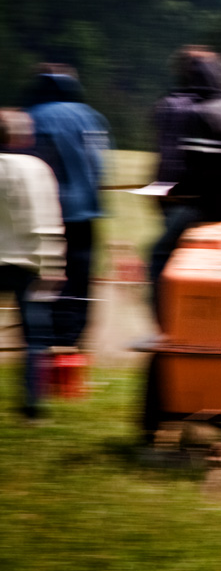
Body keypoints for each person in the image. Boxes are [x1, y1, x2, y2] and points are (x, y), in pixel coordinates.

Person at [147, 48, 221, 323]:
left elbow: (191, 170)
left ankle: (165, 326)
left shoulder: (198, 113)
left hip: (199, 208)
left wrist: (167, 196)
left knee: (159, 256)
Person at [24, 64, 111, 357]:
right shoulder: (92, 117)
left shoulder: (34, 118)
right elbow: (100, 164)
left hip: (45, 213)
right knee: (79, 278)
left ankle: (41, 342)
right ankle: (71, 343)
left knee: (43, 279)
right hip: (86, 212)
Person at [0, 109, 64, 420]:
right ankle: (31, 407)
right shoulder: (37, 168)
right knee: (34, 339)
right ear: (22, 136)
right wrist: (54, 263)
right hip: (26, 264)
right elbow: (47, 221)